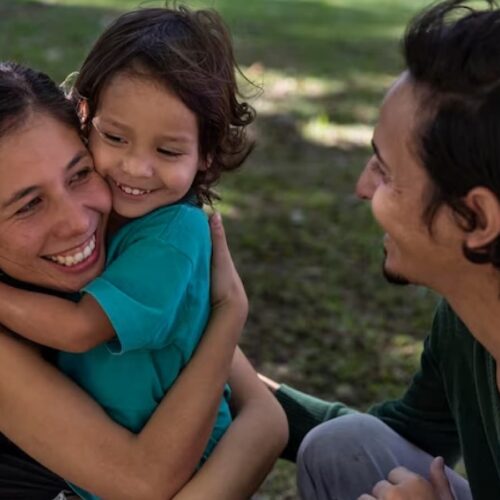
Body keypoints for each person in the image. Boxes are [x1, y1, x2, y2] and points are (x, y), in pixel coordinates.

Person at [0, 7, 259, 498]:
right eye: (29, 204)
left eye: (79, 174)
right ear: (87, 116)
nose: (78, 221)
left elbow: (264, 411)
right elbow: (147, 479)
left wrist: (229, 314)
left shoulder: (149, 235)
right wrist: (229, 314)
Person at [254, 0, 500, 499]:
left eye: (385, 172)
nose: (363, 188)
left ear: (475, 219)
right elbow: (411, 434)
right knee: (343, 445)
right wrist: (227, 378)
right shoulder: (467, 320)